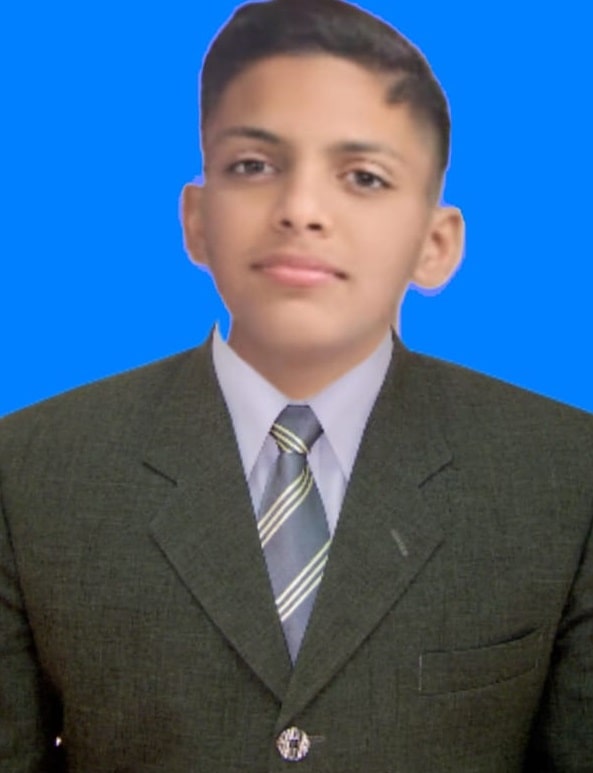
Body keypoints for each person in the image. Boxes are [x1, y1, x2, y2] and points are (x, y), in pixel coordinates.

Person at [1, 0, 591, 769]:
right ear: (197, 217)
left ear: (435, 242)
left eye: (363, 176)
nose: (300, 210)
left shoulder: (564, 474)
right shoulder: (31, 469)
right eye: (253, 165)